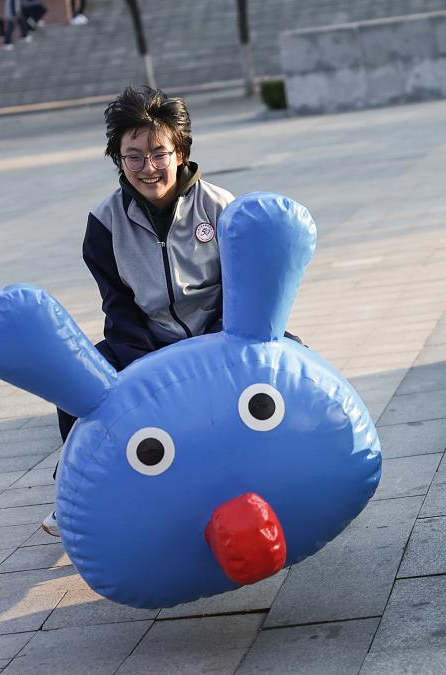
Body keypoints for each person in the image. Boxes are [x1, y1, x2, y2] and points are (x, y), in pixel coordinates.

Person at [44, 86, 306, 536]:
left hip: (225, 333)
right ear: (118, 159)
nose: (148, 168)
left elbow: (242, 288)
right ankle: (74, 494)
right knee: (77, 386)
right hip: (148, 340)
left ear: (180, 151)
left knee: (295, 354)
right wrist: (143, 360)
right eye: (134, 156)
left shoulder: (223, 208)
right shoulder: (103, 223)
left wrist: (226, 342)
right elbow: (118, 304)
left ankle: (302, 465)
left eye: (158, 153)